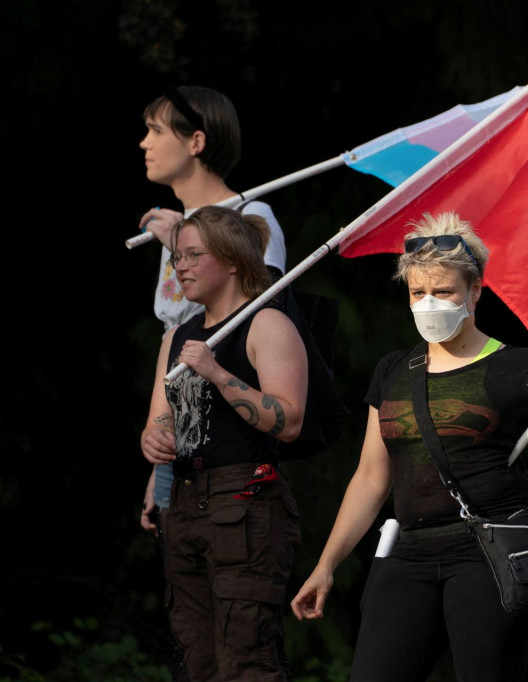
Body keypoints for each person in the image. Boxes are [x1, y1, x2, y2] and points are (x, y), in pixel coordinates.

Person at [290, 212, 528, 681]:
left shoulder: (516, 366)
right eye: (419, 293)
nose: (429, 303)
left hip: (485, 555)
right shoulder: (393, 369)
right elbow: (372, 478)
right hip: (406, 555)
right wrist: (326, 565)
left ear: (475, 291)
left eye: (444, 291)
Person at [141, 205, 307, 681]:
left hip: (245, 504)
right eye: (177, 256)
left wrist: (216, 372)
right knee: (196, 663)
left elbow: (289, 420)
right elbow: (159, 417)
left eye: (194, 255)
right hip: (184, 504)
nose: (181, 266)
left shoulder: (266, 324)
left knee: (246, 662)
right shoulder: (176, 337)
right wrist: (154, 441)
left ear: (233, 260)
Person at [136, 86, 288, 533]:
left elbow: (263, 312)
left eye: (155, 130)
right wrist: (157, 461)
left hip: (231, 439)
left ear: (196, 142)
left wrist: (177, 238)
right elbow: (174, 342)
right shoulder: (178, 229)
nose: (144, 143)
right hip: (181, 432)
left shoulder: (249, 215)